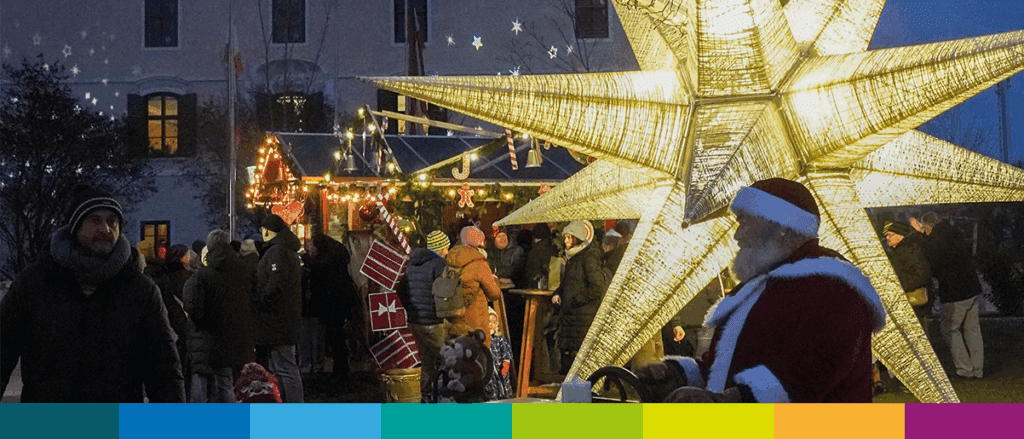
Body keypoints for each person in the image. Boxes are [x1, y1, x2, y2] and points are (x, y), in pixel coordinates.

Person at [635, 178, 885, 403]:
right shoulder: (757, 287)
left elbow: (811, 375)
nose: (737, 235)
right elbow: (725, 368)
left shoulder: (834, 288)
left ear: (781, 226)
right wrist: (677, 375)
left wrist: (732, 400)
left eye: (745, 222)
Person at [0, 185, 184, 402]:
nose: (105, 229)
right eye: (95, 220)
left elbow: (163, 369)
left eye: (112, 222)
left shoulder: (140, 290)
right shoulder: (33, 284)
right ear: (76, 226)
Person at [183, 229, 256, 403]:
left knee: (201, 379)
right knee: (225, 380)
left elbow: (194, 306)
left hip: (208, 335)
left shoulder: (203, 275)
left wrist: (200, 322)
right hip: (236, 334)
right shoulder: (243, 271)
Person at [912, 212, 985, 379]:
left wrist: (920, 235)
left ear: (926, 228)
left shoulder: (935, 240)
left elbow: (930, 261)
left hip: (955, 291)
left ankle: (964, 368)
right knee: (973, 330)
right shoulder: (954, 232)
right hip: (972, 287)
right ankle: (978, 369)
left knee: (949, 329)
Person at [396, 230, 451, 401]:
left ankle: (426, 397)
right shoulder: (439, 264)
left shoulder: (413, 263)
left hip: (415, 321)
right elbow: (444, 294)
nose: (448, 251)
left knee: (427, 361)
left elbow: (401, 289)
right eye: (446, 248)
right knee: (448, 359)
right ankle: (445, 397)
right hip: (433, 321)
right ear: (441, 248)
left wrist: (411, 308)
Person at [254, 214, 305, 403]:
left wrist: (261, 300)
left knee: (285, 367)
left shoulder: (277, 252)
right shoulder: (285, 250)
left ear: (268, 231)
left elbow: (275, 284)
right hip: (283, 318)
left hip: (278, 319)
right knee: (281, 366)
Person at [552, 220, 609, 376]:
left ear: (577, 238)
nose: (565, 241)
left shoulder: (588, 258)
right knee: (570, 360)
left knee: (580, 361)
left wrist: (576, 300)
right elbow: (568, 282)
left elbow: (597, 287)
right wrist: (558, 293)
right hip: (573, 316)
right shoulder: (573, 257)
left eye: (569, 238)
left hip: (582, 317)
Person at [303, 233, 359, 382]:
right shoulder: (337, 255)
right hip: (338, 303)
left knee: (336, 337)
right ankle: (341, 370)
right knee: (337, 337)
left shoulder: (329, 260)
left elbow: (320, 269)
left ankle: (340, 371)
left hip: (333, 304)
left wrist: (307, 260)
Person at [446, 226, 503, 347]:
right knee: (478, 355)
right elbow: (494, 294)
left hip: (453, 321)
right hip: (475, 322)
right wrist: (494, 279)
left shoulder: (448, 260)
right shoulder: (479, 264)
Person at [484, 307, 515, 400]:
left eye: (494, 322)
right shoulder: (484, 340)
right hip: (489, 370)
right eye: (489, 322)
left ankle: (505, 397)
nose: (491, 325)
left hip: (500, 368)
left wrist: (506, 362)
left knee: (503, 383)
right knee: (491, 386)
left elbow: (506, 351)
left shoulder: (499, 339)